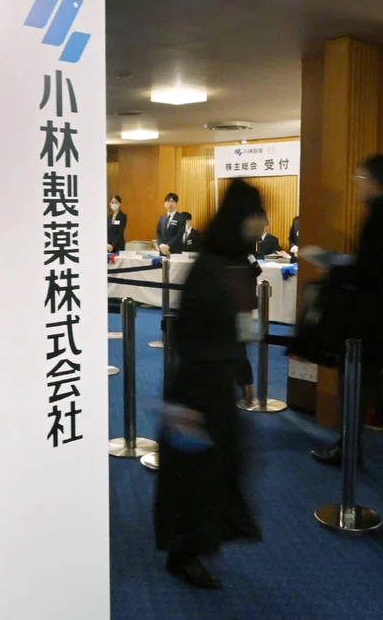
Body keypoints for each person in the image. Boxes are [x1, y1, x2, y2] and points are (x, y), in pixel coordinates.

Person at [155, 180, 264, 589]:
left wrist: (243, 372)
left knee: (215, 467)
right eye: (255, 217)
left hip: (217, 384)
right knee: (192, 472)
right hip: (195, 388)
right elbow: (191, 333)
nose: (260, 225)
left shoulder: (235, 264)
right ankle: (182, 554)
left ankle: (197, 544)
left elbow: (240, 326)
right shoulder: (210, 266)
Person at [311, 154, 383, 465]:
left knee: (357, 384)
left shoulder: (378, 218)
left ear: (373, 181)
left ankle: (351, 449)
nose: (357, 185)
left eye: (360, 179)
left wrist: (333, 268)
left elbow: (369, 271)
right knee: (379, 381)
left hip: (369, 320)